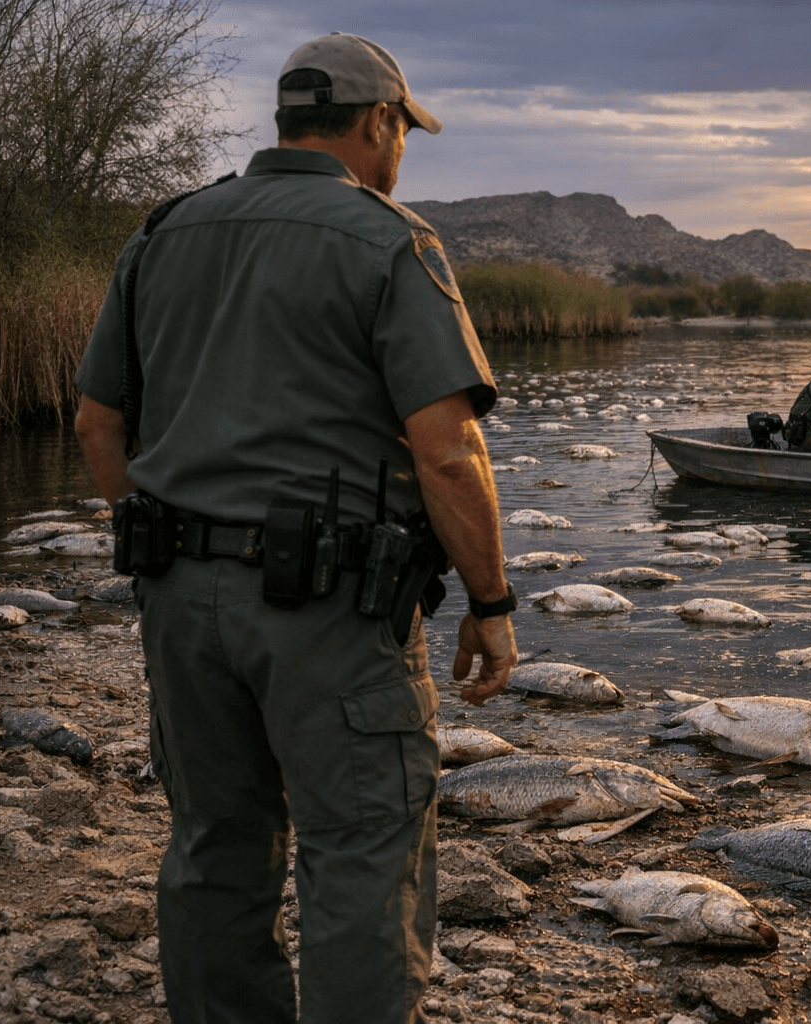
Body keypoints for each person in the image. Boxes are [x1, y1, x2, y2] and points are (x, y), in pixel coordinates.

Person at [72, 32, 518, 1024]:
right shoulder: (389, 240)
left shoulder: (163, 232)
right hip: (332, 613)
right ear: (376, 123)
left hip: (180, 604)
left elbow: (99, 423)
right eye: (401, 130)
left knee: (212, 843)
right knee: (362, 850)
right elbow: (449, 455)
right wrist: (491, 603)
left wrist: (162, 547)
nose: (401, 150)